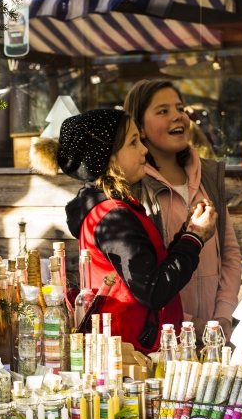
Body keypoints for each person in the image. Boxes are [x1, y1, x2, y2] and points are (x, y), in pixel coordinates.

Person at [30, 108, 217, 353]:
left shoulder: (113, 209)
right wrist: (194, 238)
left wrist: (189, 232)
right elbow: (153, 289)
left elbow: (150, 269)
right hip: (130, 355)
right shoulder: (113, 217)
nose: (144, 149)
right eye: (133, 142)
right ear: (107, 158)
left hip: (131, 347)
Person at [123, 79, 241, 342]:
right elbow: (142, 279)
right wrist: (188, 324)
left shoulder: (208, 175)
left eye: (180, 108)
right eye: (163, 111)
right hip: (166, 337)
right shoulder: (135, 188)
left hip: (216, 335)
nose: (178, 116)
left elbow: (230, 253)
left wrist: (223, 314)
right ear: (139, 128)